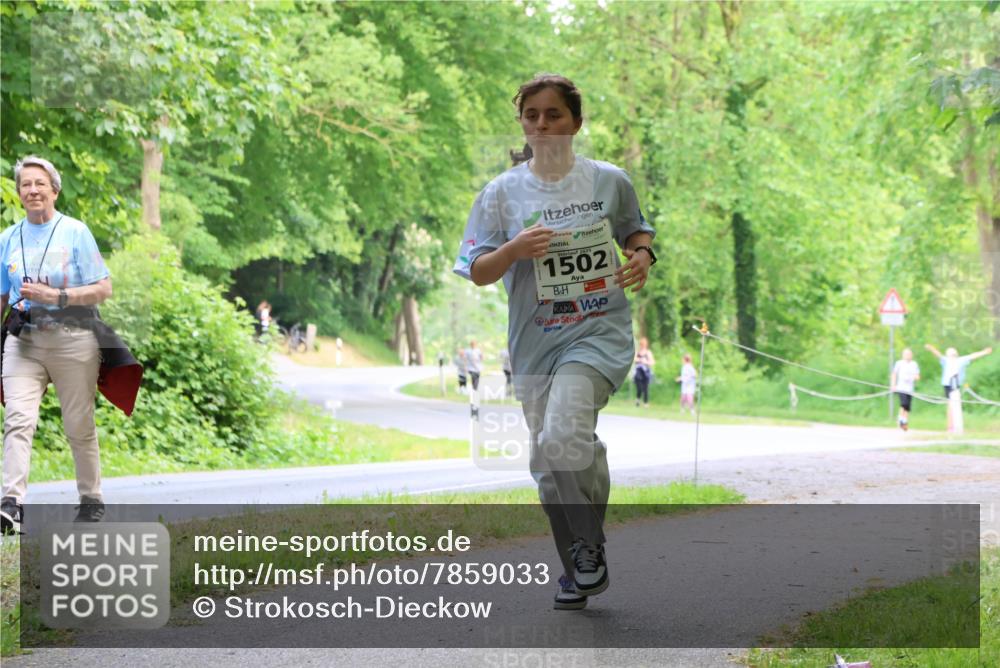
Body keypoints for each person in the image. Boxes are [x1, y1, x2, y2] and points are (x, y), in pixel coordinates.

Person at [453, 74, 655, 611]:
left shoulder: (610, 181)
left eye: (554, 114)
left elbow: (636, 230)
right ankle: (576, 569)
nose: (542, 124)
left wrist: (641, 256)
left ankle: (588, 547)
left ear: (576, 122)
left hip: (596, 332)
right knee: (551, 464)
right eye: (532, 115)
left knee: (564, 434)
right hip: (535, 343)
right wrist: (515, 249)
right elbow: (476, 270)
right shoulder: (500, 193)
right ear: (522, 122)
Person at [1, 156, 142, 534]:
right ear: (19, 193)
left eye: (39, 183)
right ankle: (11, 505)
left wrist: (56, 295)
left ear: (54, 190)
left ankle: (91, 501)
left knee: (78, 423)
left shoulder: (75, 232)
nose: (32, 190)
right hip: (23, 342)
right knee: (18, 420)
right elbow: (1, 297)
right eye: (25, 184)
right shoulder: (7, 239)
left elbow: (104, 288)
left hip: (73, 339)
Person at [924, 344, 993, 433]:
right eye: (950, 355)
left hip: (955, 384)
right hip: (947, 384)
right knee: (950, 405)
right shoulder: (946, 360)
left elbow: (973, 356)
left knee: (954, 404)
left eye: (953, 354)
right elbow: (938, 354)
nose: (951, 356)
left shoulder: (961, 360)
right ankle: (950, 427)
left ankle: (954, 426)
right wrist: (931, 348)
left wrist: (984, 352)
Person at [890, 348, 920, 431]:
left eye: (909, 354)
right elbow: (894, 374)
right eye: (906, 354)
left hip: (909, 389)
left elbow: (917, 376)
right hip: (901, 387)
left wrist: (913, 377)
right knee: (903, 404)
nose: (908, 356)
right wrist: (893, 385)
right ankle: (900, 420)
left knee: (907, 407)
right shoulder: (899, 363)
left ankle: (904, 422)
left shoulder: (914, 364)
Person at [633, 337, 655, 407]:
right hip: (638, 372)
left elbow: (652, 362)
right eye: (641, 344)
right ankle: (638, 399)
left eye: (643, 344)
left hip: (645, 373)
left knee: (645, 388)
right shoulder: (637, 352)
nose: (642, 346)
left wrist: (646, 362)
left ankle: (646, 403)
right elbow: (634, 359)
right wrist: (639, 360)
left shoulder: (648, 352)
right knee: (639, 388)